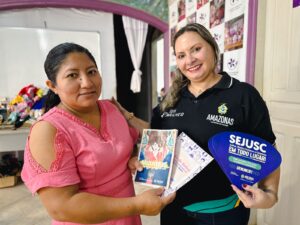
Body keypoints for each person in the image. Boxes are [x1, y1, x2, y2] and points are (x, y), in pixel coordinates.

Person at [113, 23, 280, 225]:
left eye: (196, 49)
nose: (190, 60)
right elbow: (156, 134)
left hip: (222, 213)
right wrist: (126, 116)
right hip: (173, 207)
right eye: (181, 55)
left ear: (212, 47)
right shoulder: (171, 98)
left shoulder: (243, 95)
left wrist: (270, 195)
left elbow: (267, 149)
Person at [20, 42, 175, 225]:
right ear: (52, 85)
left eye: (92, 72)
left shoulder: (111, 109)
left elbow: (130, 142)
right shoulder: (48, 130)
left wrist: (132, 158)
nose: (87, 83)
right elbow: (61, 207)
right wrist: (137, 205)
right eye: (72, 75)